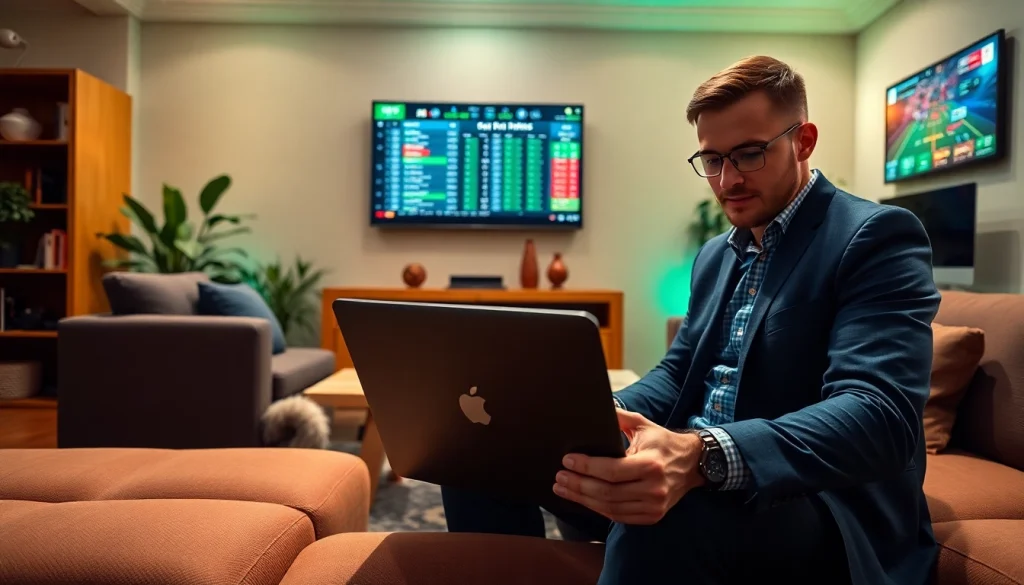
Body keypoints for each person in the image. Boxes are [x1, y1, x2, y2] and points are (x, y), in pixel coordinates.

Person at [441, 55, 940, 585]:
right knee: (483, 455)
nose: (728, 180)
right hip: (700, 472)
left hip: (815, 502)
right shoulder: (716, 254)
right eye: (712, 159)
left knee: (664, 518)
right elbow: (678, 372)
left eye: (749, 154)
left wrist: (703, 454)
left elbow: (879, 414)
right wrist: (596, 415)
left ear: (804, 141)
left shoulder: (875, 236)